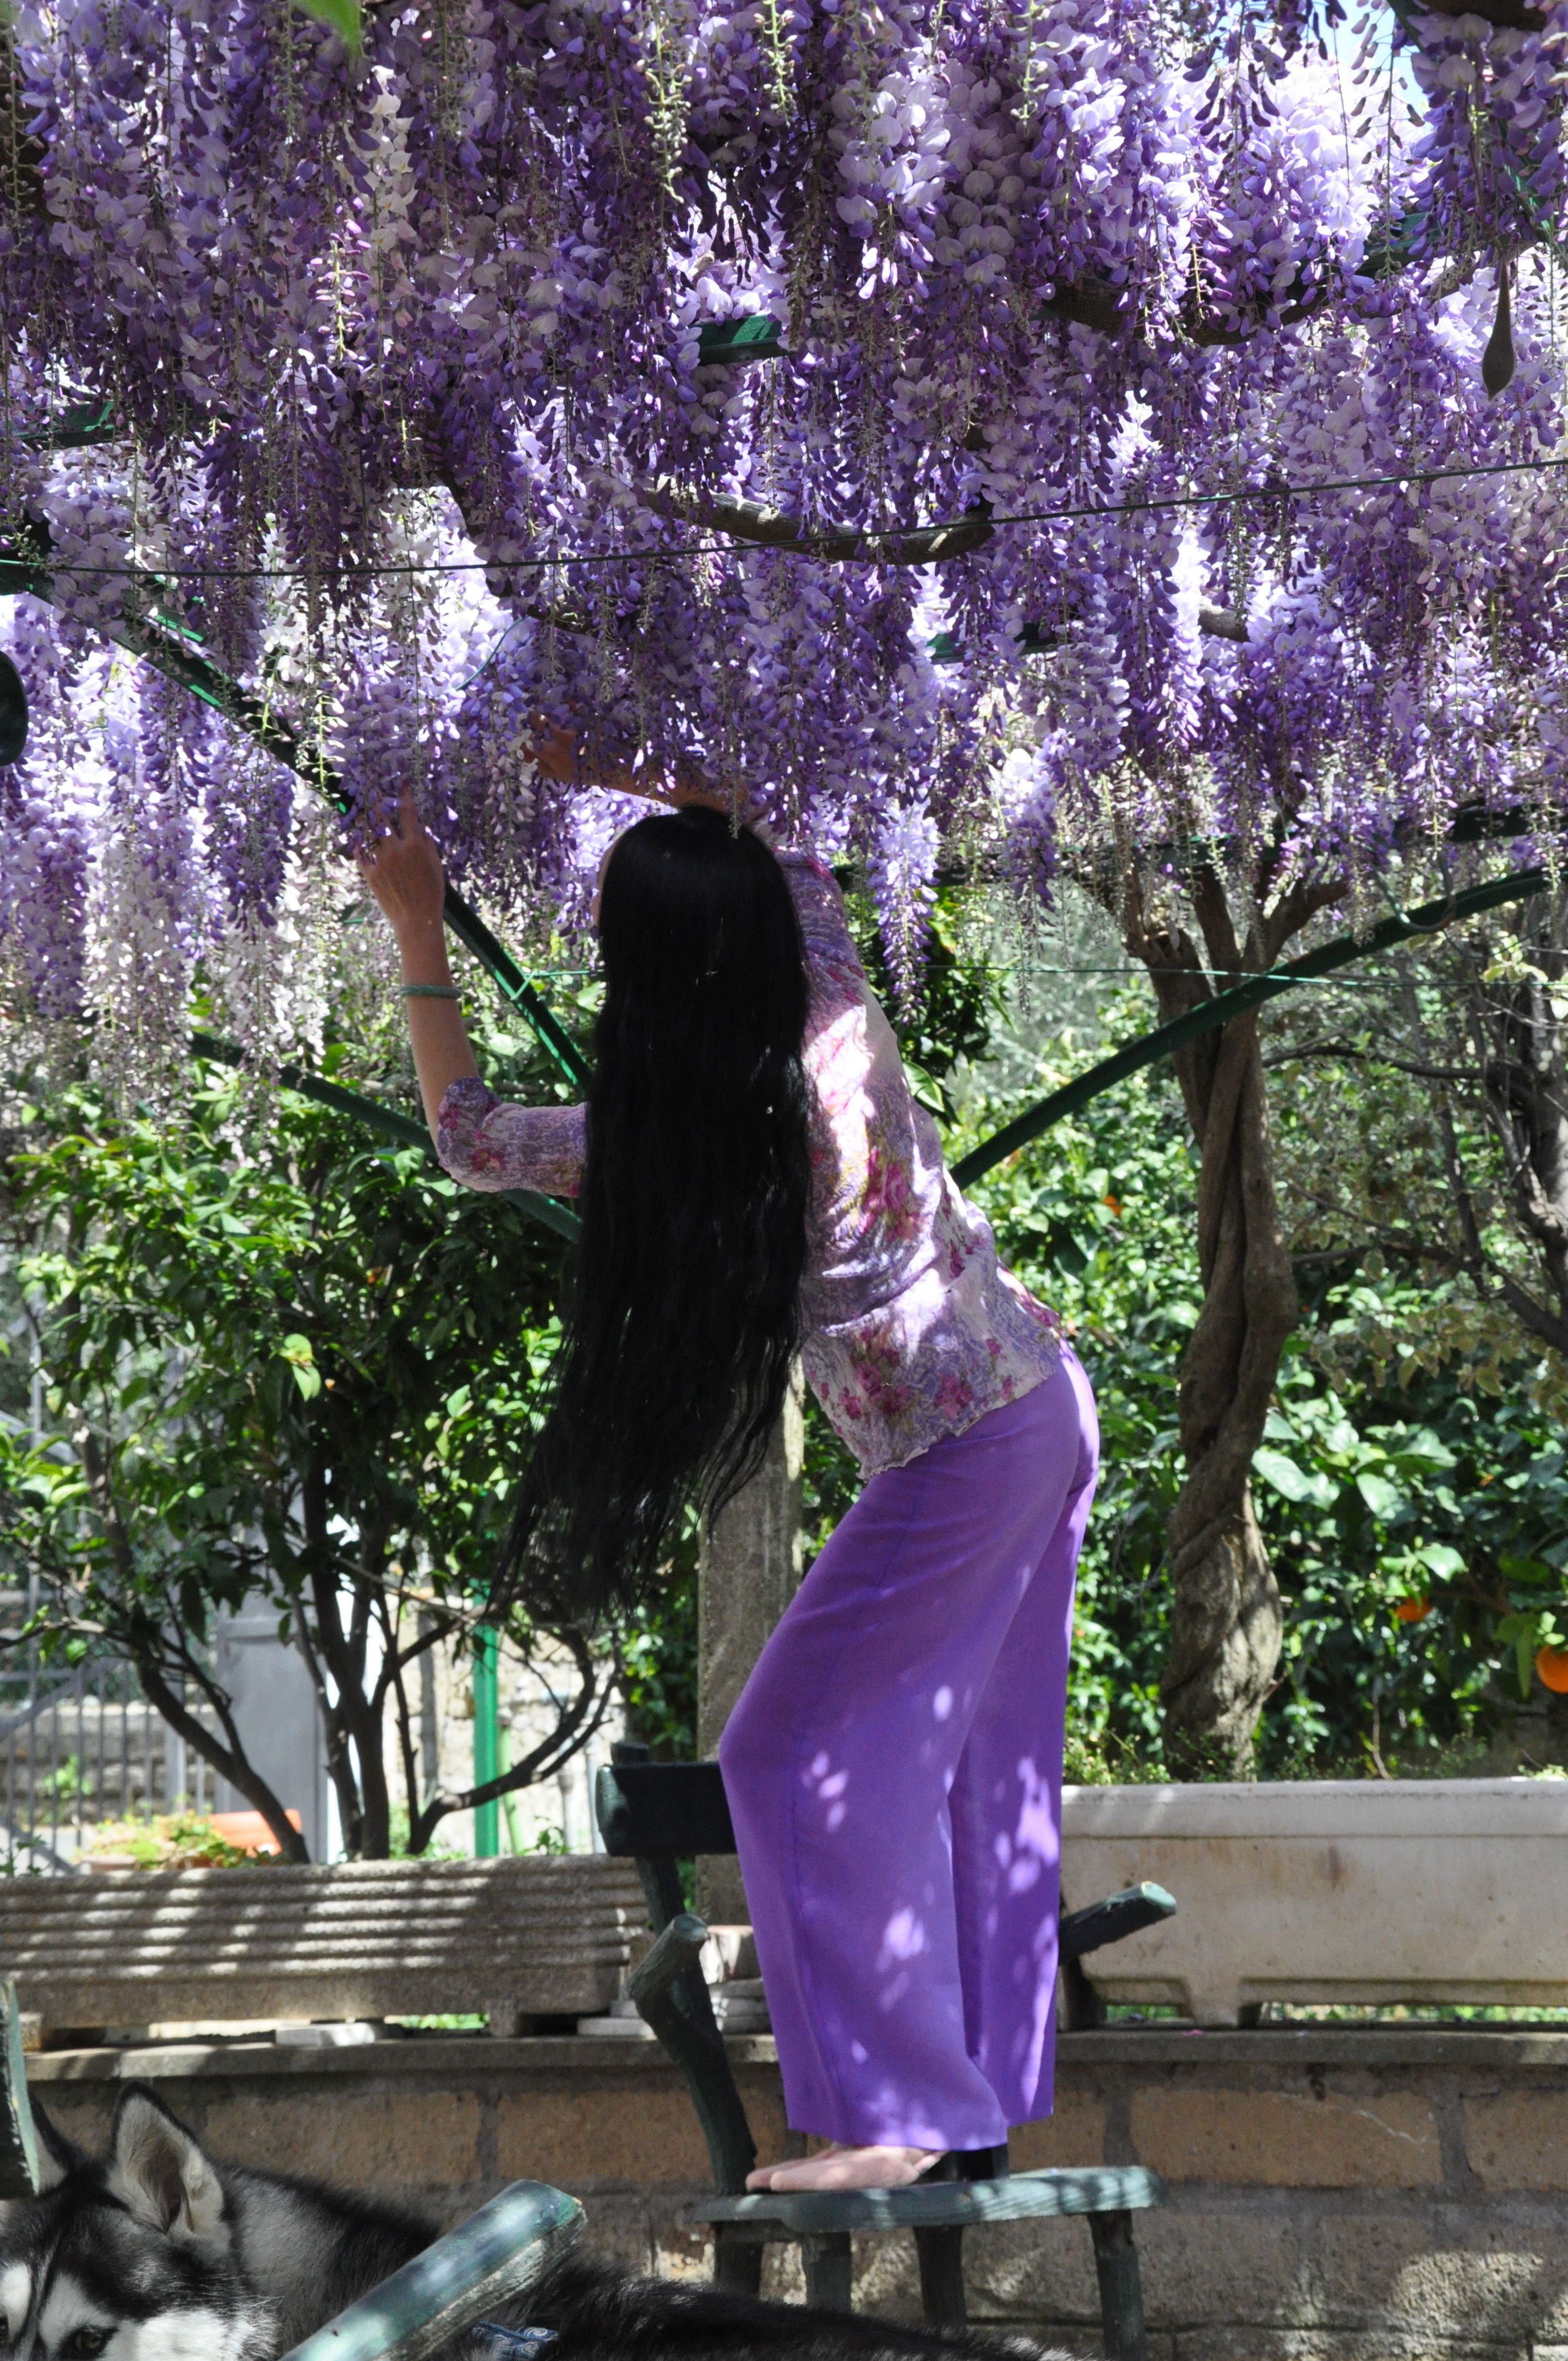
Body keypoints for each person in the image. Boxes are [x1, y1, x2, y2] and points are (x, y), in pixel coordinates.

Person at [360, 752, 1098, 2194]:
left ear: (643, 979)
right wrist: (607, 766)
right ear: (763, 934)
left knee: (786, 1756)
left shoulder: (665, 1143)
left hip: (959, 1447)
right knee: (974, 1769)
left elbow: (467, 1139)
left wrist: (416, 923)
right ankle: (974, 2108)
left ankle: (900, 2121)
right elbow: (785, 807)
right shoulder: (833, 1025)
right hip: (1041, 1407)